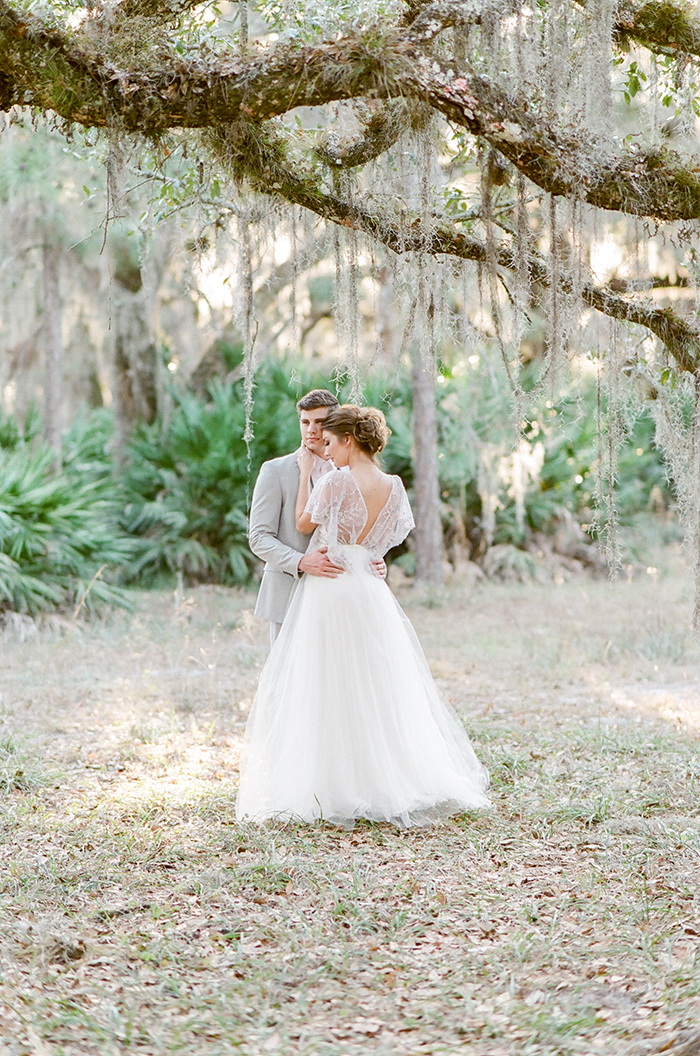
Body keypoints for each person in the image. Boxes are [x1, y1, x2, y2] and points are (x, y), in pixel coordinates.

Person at [236, 404, 490, 828]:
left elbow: (303, 524)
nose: (319, 438)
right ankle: (356, 779)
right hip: (360, 591)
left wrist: (308, 481)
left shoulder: (335, 479)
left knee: (337, 686)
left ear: (345, 436)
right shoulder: (390, 484)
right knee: (355, 685)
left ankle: (335, 786)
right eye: (307, 424)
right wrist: (368, 558)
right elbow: (268, 535)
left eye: (328, 432)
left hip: (332, 591)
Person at [248, 389, 344, 647]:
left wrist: (373, 559)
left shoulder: (347, 472)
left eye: (319, 422)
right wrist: (301, 562)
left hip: (338, 594)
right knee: (287, 681)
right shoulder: (275, 471)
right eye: (305, 422)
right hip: (288, 592)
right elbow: (258, 537)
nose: (311, 429)